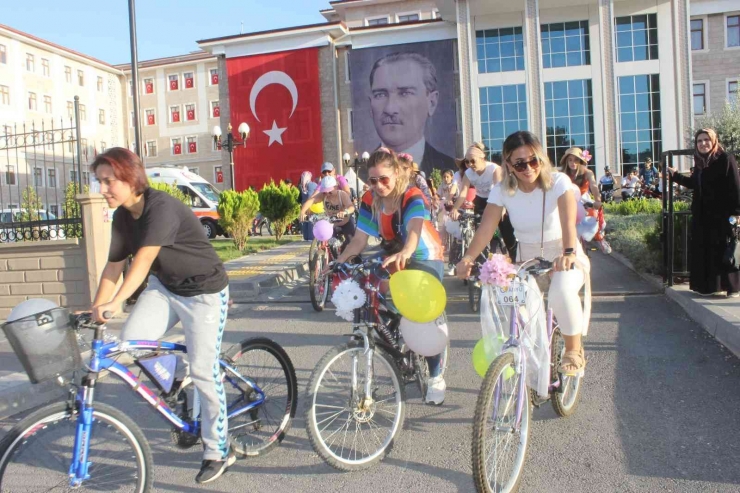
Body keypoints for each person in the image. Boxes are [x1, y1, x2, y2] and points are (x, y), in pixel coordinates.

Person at [89, 148, 233, 484]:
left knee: (203, 371)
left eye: (108, 181)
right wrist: (97, 308)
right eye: (99, 182)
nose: (102, 190)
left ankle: (218, 450)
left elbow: (140, 264)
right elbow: (113, 267)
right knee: (132, 343)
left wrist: (116, 304)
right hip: (166, 288)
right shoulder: (124, 216)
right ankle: (177, 385)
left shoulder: (161, 208)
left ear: (130, 177)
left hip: (205, 293)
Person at [456, 131, 590, 376]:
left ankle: (574, 349)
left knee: (561, 291)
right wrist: (468, 258)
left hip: (563, 251)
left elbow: (568, 222)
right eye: (519, 163)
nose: (528, 168)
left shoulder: (559, 182)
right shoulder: (501, 190)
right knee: (516, 308)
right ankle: (528, 359)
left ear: (541, 158)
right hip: (527, 256)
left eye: (533, 160)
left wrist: (569, 252)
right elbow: (486, 228)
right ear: (508, 164)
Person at [333, 147, 448, 405]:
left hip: (423, 255)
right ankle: (391, 340)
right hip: (391, 252)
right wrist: (338, 263)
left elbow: (414, 229)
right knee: (367, 290)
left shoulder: (412, 195)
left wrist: (406, 251)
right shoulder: (369, 200)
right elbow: (359, 241)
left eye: (384, 179)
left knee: (420, 315)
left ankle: (435, 375)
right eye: (373, 180)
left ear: (397, 173)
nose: (379, 185)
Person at [666, 128, 740, 297]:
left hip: (722, 216)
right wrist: (676, 176)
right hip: (702, 217)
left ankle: (732, 287)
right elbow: (695, 184)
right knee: (705, 251)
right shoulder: (700, 163)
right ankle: (710, 287)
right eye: (699, 141)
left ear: (714, 141)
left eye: (706, 139)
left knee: (724, 250)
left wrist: (737, 213)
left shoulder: (725, 159)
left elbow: (736, 187)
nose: (703, 143)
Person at [368, 52, 455, 175]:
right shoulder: (359, 172)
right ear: (370, 104)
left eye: (405, 93)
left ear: (431, 102)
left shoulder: (449, 168)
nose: (390, 108)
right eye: (380, 95)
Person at [450, 143, 518, 260]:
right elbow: (463, 193)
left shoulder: (493, 169)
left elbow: (499, 190)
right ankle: (482, 259)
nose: (470, 165)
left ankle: (514, 255)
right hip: (481, 200)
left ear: (482, 158)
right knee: (481, 229)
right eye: (467, 162)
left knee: (506, 228)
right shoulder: (468, 173)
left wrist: (502, 208)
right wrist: (455, 208)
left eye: (473, 161)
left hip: (497, 200)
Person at [560, 147, 610, 253]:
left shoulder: (587, 172)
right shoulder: (562, 174)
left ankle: (599, 238)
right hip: (567, 200)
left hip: (583, 198)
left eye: (576, 160)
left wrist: (597, 200)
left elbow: (594, 186)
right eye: (570, 160)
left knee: (594, 214)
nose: (573, 163)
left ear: (581, 161)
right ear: (566, 161)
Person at [300, 175, 356, 250]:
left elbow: (351, 207)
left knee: (352, 243)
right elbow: (311, 201)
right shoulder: (323, 196)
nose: (327, 194)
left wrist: (345, 212)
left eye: (329, 192)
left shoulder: (342, 195)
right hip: (331, 224)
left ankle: (356, 259)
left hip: (345, 222)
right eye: (324, 192)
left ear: (336, 187)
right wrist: (302, 212)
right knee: (331, 244)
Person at [299, 171, 318, 241]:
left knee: (308, 222)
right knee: (308, 222)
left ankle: (308, 237)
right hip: (309, 207)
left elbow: (308, 197)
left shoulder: (306, 186)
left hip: (308, 206)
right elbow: (308, 197)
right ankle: (309, 237)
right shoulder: (308, 185)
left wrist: (306, 208)